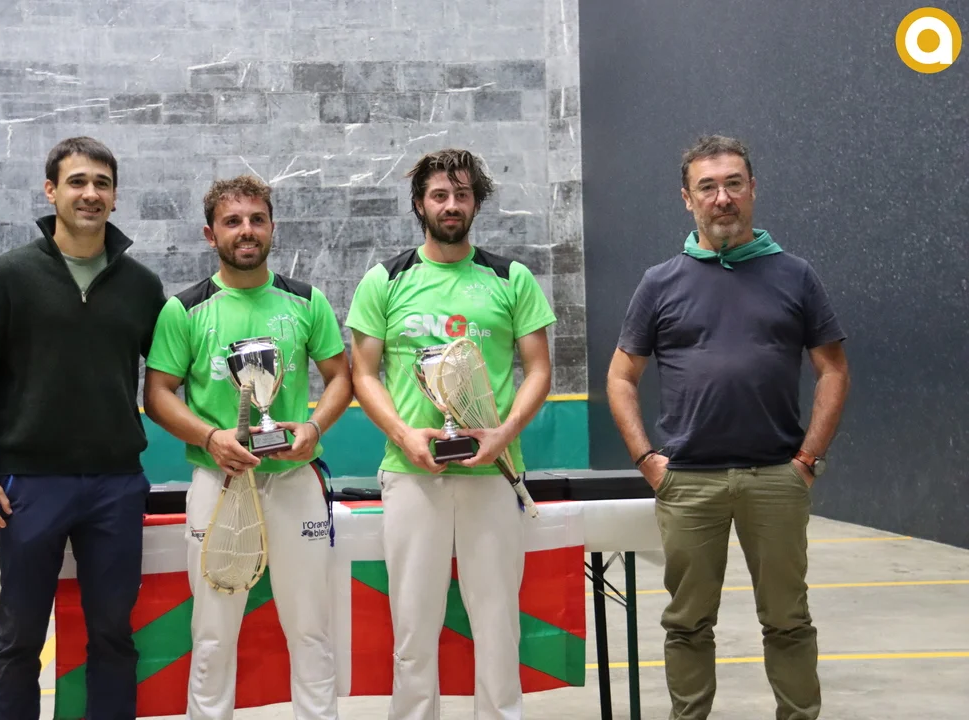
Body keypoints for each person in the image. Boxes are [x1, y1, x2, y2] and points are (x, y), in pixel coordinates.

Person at [607, 135, 851, 720]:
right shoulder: (660, 282)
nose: (722, 198)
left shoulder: (795, 275)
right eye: (708, 187)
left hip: (777, 478)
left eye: (733, 184)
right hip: (688, 482)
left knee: (788, 620)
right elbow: (620, 377)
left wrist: (807, 461)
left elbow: (833, 369)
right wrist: (648, 461)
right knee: (688, 623)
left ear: (753, 189)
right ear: (687, 198)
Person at [0, 136, 166, 720]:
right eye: (77, 181)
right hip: (29, 485)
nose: (90, 193)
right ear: (51, 191)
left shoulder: (143, 287)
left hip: (116, 485)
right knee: (19, 637)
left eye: (102, 183)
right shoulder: (9, 276)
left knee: (113, 634)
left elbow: (173, 375)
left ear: (115, 197)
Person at [345, 148, 556, 720]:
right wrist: (404, 435)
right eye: (439, 195)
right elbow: (363, 375)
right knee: (414, 629)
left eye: (462, 194)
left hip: (493, 472)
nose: (451, 204)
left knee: (498, 624)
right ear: (420, 204)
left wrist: (503, 433)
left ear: (476, 204)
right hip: (412, 474)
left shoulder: (510, 278)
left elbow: (539, 369)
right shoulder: (385, 280)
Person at [143, 174, 352, 720]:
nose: (247, 230)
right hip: (220, 481)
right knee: (213, 632)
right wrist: (209, 437)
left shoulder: (305, 300)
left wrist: (314, 428)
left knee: (310, 626)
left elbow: (340, 377)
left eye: (257, 219)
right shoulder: (185, 310)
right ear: (210, 234)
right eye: (232, 221)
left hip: (294, 480)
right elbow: (157, 393)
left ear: (272, 227)